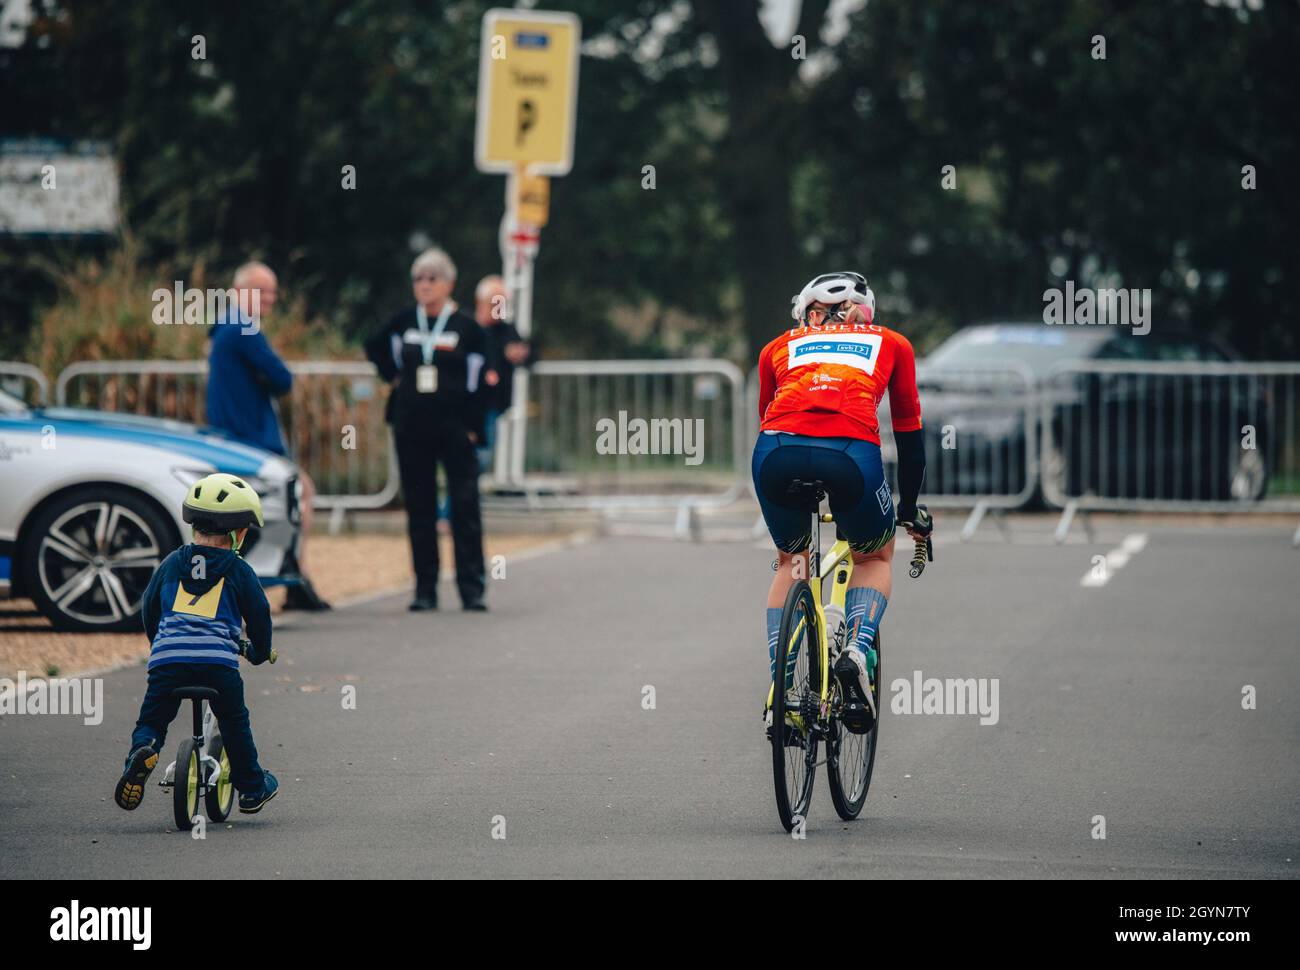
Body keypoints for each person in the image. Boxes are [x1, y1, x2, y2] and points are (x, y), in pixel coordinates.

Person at [753, 271, 933, 738]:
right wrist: (910, 508)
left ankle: (782, 691)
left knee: (791, 562)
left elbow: (769, 419)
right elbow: (910, 439)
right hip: (850, 453)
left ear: (805, 313)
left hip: (775, 452)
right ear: (866, 310)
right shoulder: (891, 343)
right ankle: (855, 649)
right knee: (873, 554)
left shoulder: (777, 347)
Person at [113, 473, 279, 815]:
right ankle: (251, 788)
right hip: (218, 664)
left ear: (194, 527)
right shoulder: (238, 569)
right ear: (237, 534)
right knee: (234, 722)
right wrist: (259, 652)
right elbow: (259, 615)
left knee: (152, 720)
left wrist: (160, 642)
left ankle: (142, 752)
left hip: (167, 660)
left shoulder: (173, 562)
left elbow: (149, 606)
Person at [365, 247, 489, 612]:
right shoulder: (405, 321)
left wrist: (474, 426)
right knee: (420, 506)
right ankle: (425, 588)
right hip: (412, 425)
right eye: (419, 278)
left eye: (433, 278)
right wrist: (394, 377)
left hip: (455, 427)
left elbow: (482, 379)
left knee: (464, 506)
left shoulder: (467, 327)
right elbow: (374, 345)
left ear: (449, 284)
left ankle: (472, 587)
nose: (425, 285)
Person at [206, 261, 329, 610]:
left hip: (237, 432)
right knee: (298, 493)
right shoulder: (243, 328)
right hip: (251, 437)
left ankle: (292, 576)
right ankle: (292, 577)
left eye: (273, 291)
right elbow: (282, 377)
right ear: (239, 292)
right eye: (261, 291)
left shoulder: (224, 328)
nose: (270, 299)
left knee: (284, 498)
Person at [474, 275, 536, 473]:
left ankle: (464, 502)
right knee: (471, 459)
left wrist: (521, 354)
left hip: (492, 404)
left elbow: (530, 355)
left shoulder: (507, 330)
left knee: (481, 458)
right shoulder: (469, 327)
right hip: (468, 401)